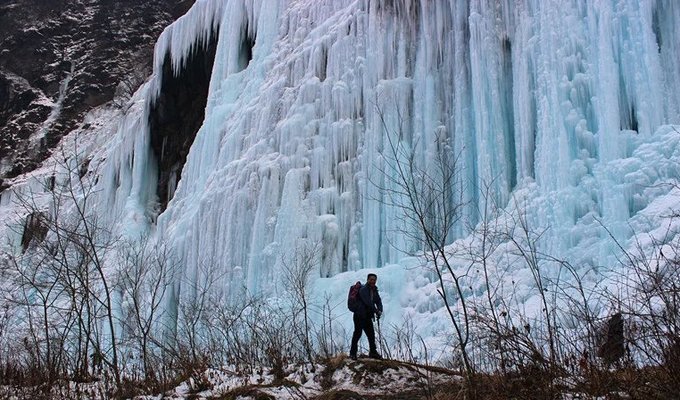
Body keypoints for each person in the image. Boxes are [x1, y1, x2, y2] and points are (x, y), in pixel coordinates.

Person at [349, 273, 383, 360]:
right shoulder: (363, 290)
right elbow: (368, 302)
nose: (373, 281)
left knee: (371, 334)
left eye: (374, 280)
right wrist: (376, 311)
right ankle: (353, 353)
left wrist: (380, 309)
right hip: (359, 315)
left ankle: (373, 352)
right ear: (368, 280)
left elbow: (378, 300)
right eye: (371, 279)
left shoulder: (374, 290)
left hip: (367, 316)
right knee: (357, 333)